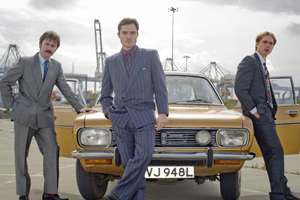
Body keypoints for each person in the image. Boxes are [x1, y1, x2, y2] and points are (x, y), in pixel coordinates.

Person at [0, 31, 96, 200]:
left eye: (53, 46)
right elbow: (5, 82)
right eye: (47, 44)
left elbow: (65, 87)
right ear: (40, 44)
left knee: (52, 150)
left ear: (56, 49)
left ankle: (50, 193)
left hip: (44, 117)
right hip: (24, 115)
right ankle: (23, 194)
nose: (50, 48)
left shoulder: (56, 66)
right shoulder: (25, 62)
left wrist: (80, 108)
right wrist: (12, 106)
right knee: (21, 155)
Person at [100, 17, 169, 200]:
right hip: (120, 119)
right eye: (125, 33)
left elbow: (160, 87)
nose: (128, 36)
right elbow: (105, 94)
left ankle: (116, 195)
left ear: (137, 34)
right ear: (118, 35)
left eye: (132, 33)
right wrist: (108, 112)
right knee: (130, 165)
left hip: (144, 117)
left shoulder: (150, 55)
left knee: (144, 156)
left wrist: (162, 112)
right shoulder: (111, 61)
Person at [234, 31, 299, 200]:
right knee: (275, 151)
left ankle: (282, 190)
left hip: (267, 114)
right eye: (265, 42)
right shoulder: (249, 61)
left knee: (274, 153)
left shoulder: (263, 65)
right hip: (259, 115)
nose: (268, 46)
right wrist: (254, 111)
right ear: (256, 43)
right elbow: (240, 88)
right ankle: (278, 193)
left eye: (271, 43)